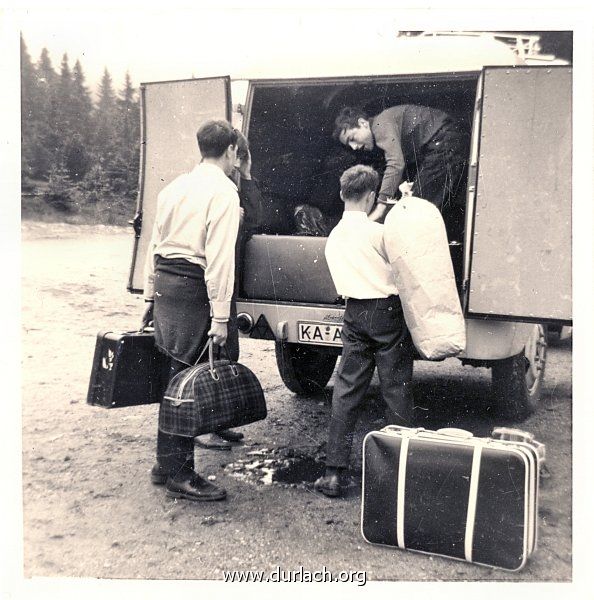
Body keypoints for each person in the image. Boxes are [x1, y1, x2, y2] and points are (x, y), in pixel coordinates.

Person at [141, 119, 241, 502]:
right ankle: (180, 475)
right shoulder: (225, 192)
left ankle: (165, 464)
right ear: (231, 150)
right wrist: (220, 317)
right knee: (185, 382)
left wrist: (150, 296)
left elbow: (154, 243)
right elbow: (219, 260)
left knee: (174, 376)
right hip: (193, 286)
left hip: (167, 283)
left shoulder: (175, 187)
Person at [314, 165, 414, 498]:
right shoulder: (378, 233)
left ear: (342, 194)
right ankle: (400, 472)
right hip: (385, 312)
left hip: (353, 313)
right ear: (372, 196)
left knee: (346, 390)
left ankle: (333, 471)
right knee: (395, 386)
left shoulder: (333, 238)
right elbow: (404, 269)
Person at [333, 105, 468, 235]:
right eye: (349, 145)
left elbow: (396, 164)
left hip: (443, 140)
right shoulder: (383, 125)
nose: (354, 147)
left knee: (415, 209)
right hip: (445, 140)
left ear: (363, 123)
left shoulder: (380, 125)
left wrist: (381, 207)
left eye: (352, 138)